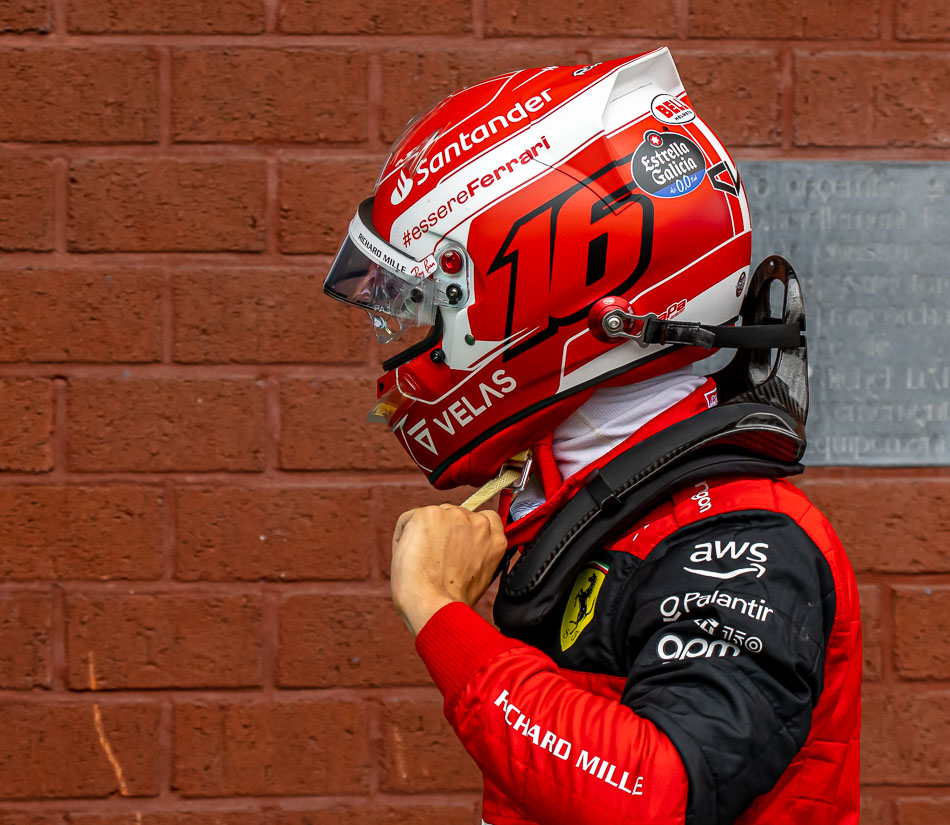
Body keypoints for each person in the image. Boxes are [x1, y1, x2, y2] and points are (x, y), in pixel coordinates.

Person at [319, 49, 861, 824]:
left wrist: (438, 612)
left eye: (428, 306)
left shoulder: (746, 538)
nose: (406, 341)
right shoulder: (583, 499)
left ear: (540, 288)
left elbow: (656, 791)